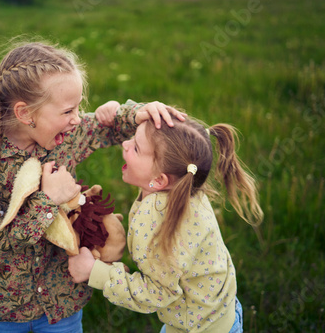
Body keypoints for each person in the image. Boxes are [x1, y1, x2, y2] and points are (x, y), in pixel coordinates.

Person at [0, 40, 185, 333]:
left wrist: (137, 112)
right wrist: (48, 199)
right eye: (68, 111)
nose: (77, 119)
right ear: (25, 113)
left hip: (62, 306)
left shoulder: (66, 134)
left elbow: (107, 127)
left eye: (78, 107)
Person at [68, 115, 264, 332]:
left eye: (136, 148)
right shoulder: (187, 185)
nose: (124, 144)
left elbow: (158, 292)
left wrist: (93, 271)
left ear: (159, 180)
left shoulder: (156, 218)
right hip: (220, 313)